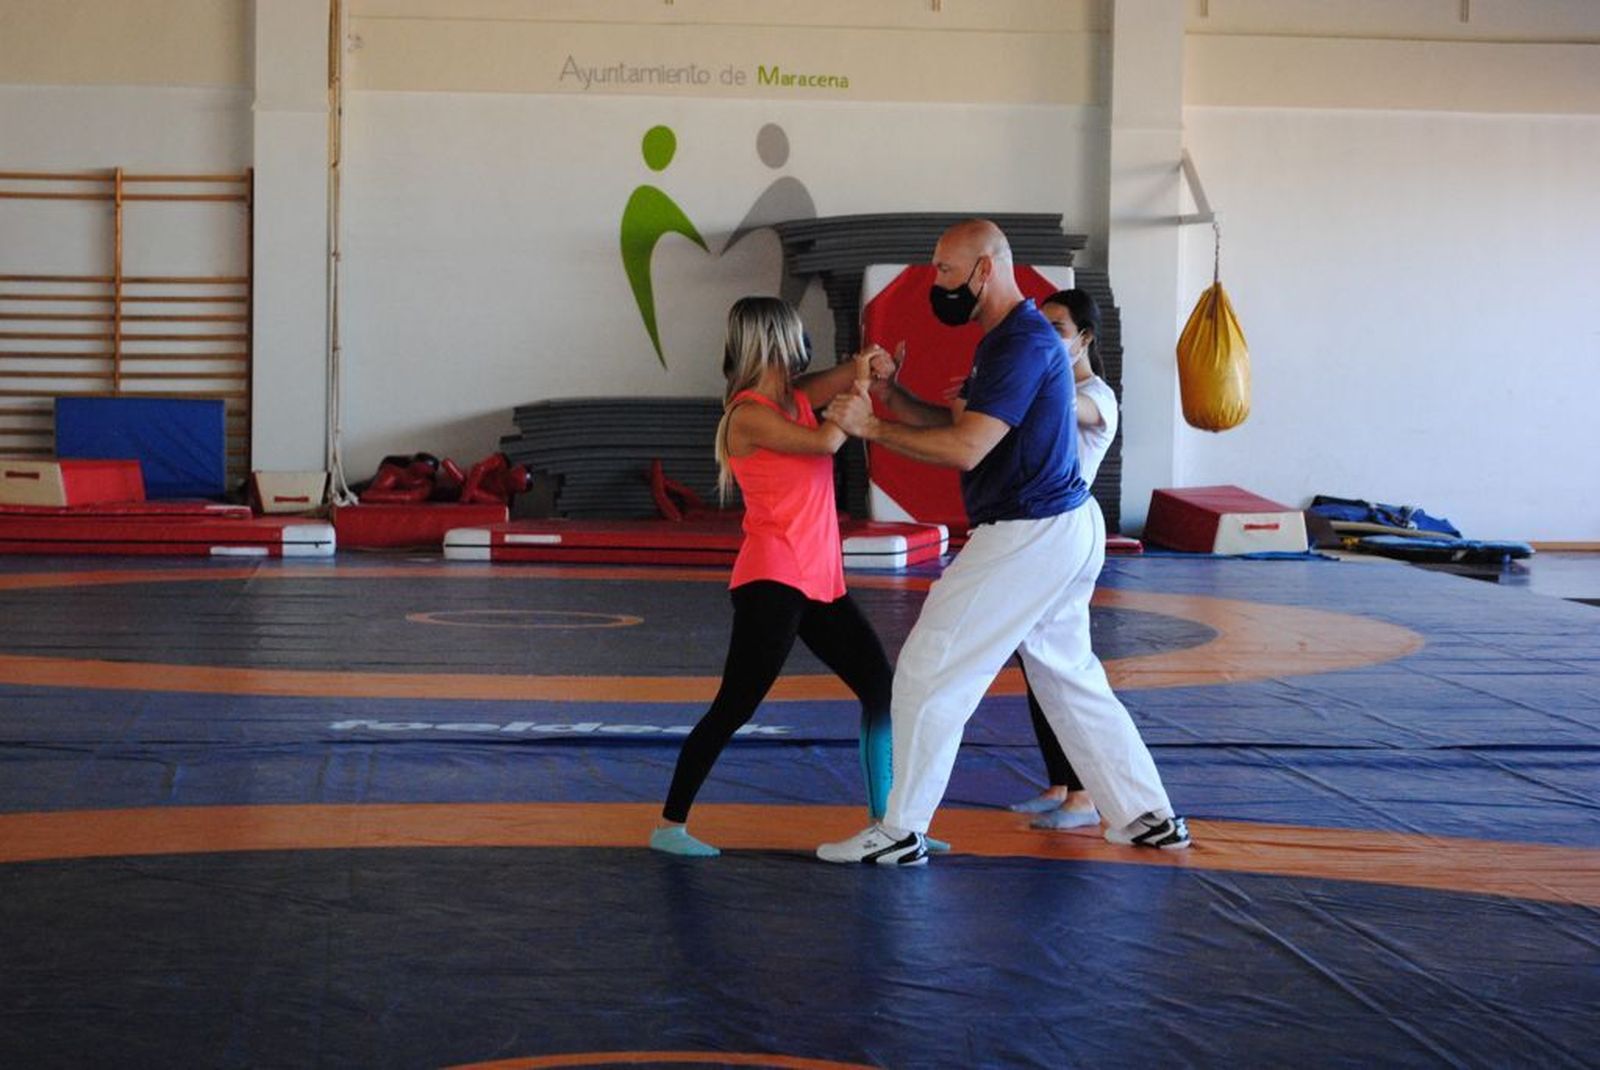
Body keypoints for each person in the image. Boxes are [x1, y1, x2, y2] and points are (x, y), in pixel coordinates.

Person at [816, 220, 1189, 866]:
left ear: (986, 270)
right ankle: (1146, 814)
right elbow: (964, 422)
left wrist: (870, 426)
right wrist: (891, 395)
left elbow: (967, 448)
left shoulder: (1020, 343)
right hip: (1057, 526)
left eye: (946, 271)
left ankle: (900, 830)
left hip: (1030, 531)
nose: (938, 284)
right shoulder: (1005, 341)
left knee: (930, 668)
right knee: (1070, 678)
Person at [651, 296, 897, 857]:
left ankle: (889, 822)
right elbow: (825, 442)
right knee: (736, 704)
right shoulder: (749, 412)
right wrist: (859, 388)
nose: (804, 349)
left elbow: (842, 373)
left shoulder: (795, 397)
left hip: (819, 579)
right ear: (777, 342)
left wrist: (873, 364)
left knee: (882, 689)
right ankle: (669, 825)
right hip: (773, 579)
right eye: (797, 339)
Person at [1009, 289, 1118, 830]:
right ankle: (1061, 783)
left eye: (1058, 329)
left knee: (1061, 667)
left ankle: (1085, 796)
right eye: (1042, 327)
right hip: (1042, 537)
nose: (1048, 338)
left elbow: (1071, 407)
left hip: (1068, 537)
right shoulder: (1047, 390)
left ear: (1084, 339)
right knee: (1036, 665)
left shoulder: (1099, 395)